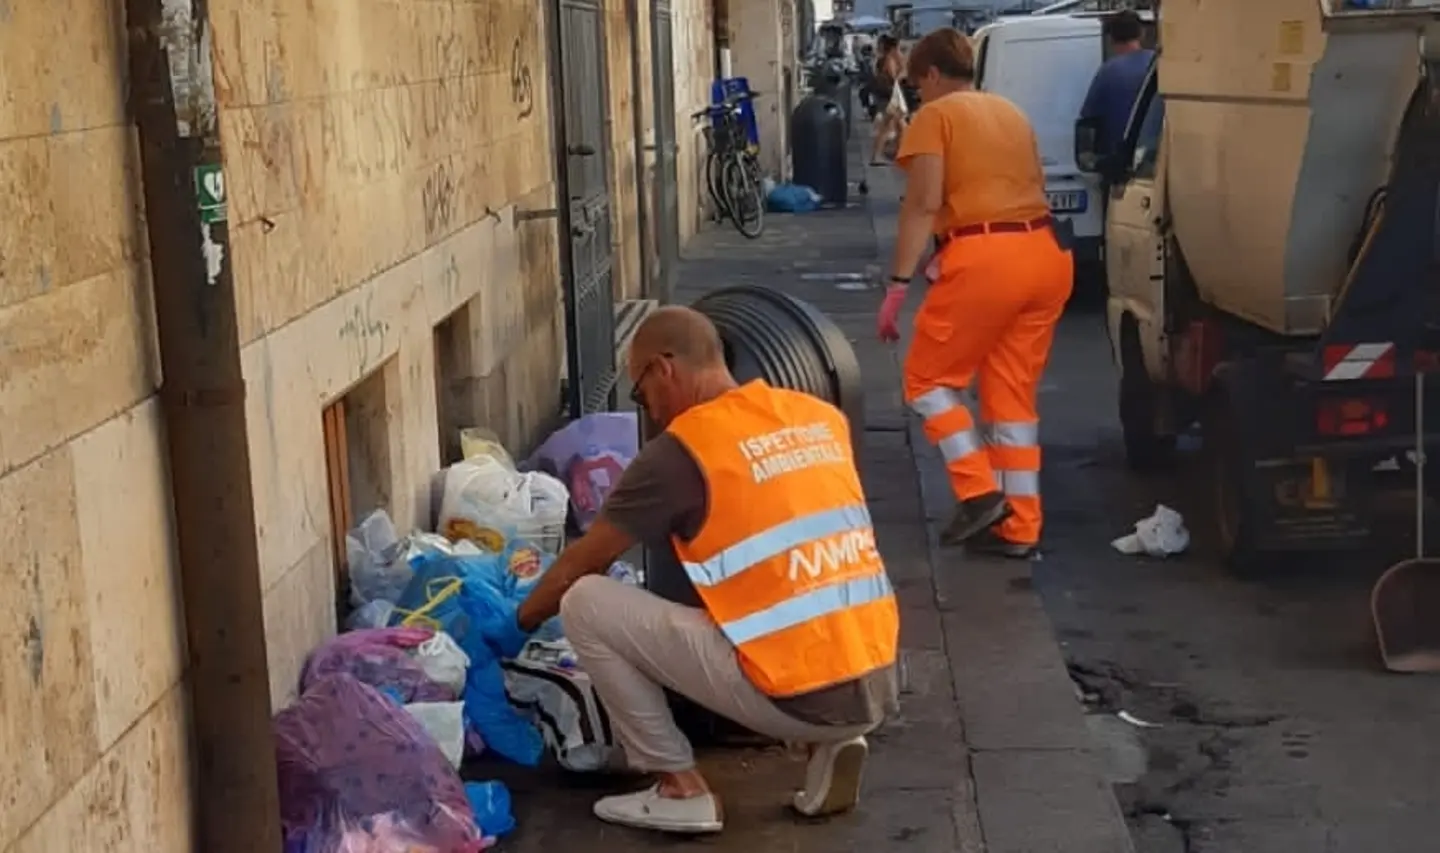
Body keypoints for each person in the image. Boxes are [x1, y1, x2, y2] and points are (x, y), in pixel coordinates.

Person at [503, 306, 901, 834]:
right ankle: (830, 742)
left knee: (587, 602)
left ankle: (678, 787)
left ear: (663, 370)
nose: (648, 411)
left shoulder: (683, 451)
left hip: (800, 693)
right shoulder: (816, 416)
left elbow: (584, 561)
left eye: (640, 394)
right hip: (876, 676)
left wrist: (518, 624)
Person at [876, 28, 1073, 559]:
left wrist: (898, 286)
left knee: (925, 380)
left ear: (934, 75)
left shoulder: (936, 117)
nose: (918, 96)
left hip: (987, 258)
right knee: (1010, 400)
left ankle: (978, 490)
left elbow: (922, 204)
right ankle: (1020, 526)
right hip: (1046, 254)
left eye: (919, 85)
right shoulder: (1010, 112)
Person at [1077, 11, 1154, 167]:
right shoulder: (1158, 65)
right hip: (1154, 160)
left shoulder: (1108, 72)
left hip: (1120, 166)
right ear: (1142, 33)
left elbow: (1088, 120)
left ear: (1111, 38)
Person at [869, 35, 908, 165]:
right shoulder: (889, 60)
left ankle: (899, 152)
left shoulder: (882, 59)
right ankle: (877, 156)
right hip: (890, 97)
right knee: (887, 127)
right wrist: (902, 70)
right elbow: (893, 77)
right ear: (893, 48)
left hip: (886, 96)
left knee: (901, 125)